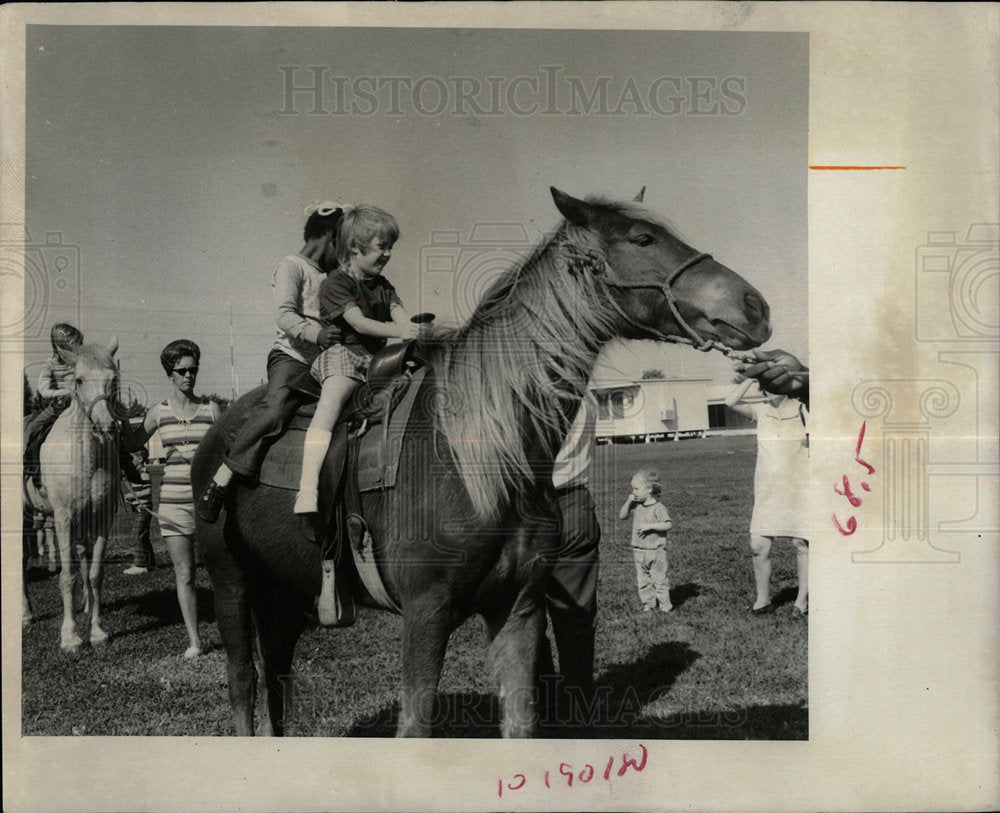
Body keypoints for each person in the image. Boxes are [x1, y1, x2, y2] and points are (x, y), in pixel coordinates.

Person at [196, 203, 348, 523]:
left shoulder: (333, 277)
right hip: (292, 357)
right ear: (330, 237)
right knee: (276, 407)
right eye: (345, 245)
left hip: (326, 361)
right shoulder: (291, 266)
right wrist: (317, 335)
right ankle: (223, 478)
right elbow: (284, 313)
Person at [293, 204, 421, 519]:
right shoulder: (336, 283)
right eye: (382, 246)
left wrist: (416, 331)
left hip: (377, 361)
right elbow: (360, 323)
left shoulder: (384, 286)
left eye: (391, 246)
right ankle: (307, 487)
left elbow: (401, 318)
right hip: (345, 355)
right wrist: (401, 330)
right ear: (354, 247)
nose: (389, 253)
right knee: (332, 401)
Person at [125, 340, 219, 657]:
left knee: (224, 572)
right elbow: (132, 444)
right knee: (185, 574)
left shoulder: (211, 409)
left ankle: (236, 629)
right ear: (170, 373)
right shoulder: (159, 413)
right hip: (173, 505)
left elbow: (226, 452)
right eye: (182, 371)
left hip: (211, 506)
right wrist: (120, 421)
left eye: (194, 369)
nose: (189, 376)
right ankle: (195, 641)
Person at [537, 398, 602, 727]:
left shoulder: (536, 394)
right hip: (576, 502)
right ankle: (578, 705)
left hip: (533, 504)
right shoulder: (587, 400)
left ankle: (543, 699)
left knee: (525, 613)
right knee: (577, 617)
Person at [725, 372, 809, 616]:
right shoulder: (760, 410)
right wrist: (751, 379)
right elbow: (729, 402)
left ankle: (801, 602)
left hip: (799, 487)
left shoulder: (804, 409)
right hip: (767, 489)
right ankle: (763, 600)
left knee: (801, 543)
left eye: (775, 382)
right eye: (766, 384)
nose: (769, 388)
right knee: (758, 544)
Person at [23, 323, 84, 489]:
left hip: (83, 405)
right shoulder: (50, 363)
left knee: (109, 428)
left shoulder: (83, 360)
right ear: (59, 345)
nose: (77, 346)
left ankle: (127, 466)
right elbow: (43, 389)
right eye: (72, 342)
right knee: (31, 429)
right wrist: (63, 392)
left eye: (78, 342)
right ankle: (34, 471)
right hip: (59, 406)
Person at [619, 470, 674, 613]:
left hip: (656, 551)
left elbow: (668, 524)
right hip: (638, 550)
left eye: (636, 489)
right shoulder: (636, 504)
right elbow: (622, 516)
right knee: (643, 581)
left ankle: (665, 607)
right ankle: (649, 604)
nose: (633, 492)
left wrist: (650, 526)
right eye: (632, 489)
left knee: (660, 580)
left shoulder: (659, 508)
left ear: (649, 489)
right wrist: (629, 501)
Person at [122, 447, 156, 575]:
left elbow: (147, 491)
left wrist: (132, 495)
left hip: (144, 509)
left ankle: (141, 565)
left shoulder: (143, 472)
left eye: (132, 458)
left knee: (138, 534)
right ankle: (150, 563)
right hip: (140, 508)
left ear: (140, 459)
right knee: (143, 536)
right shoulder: (137, 472)